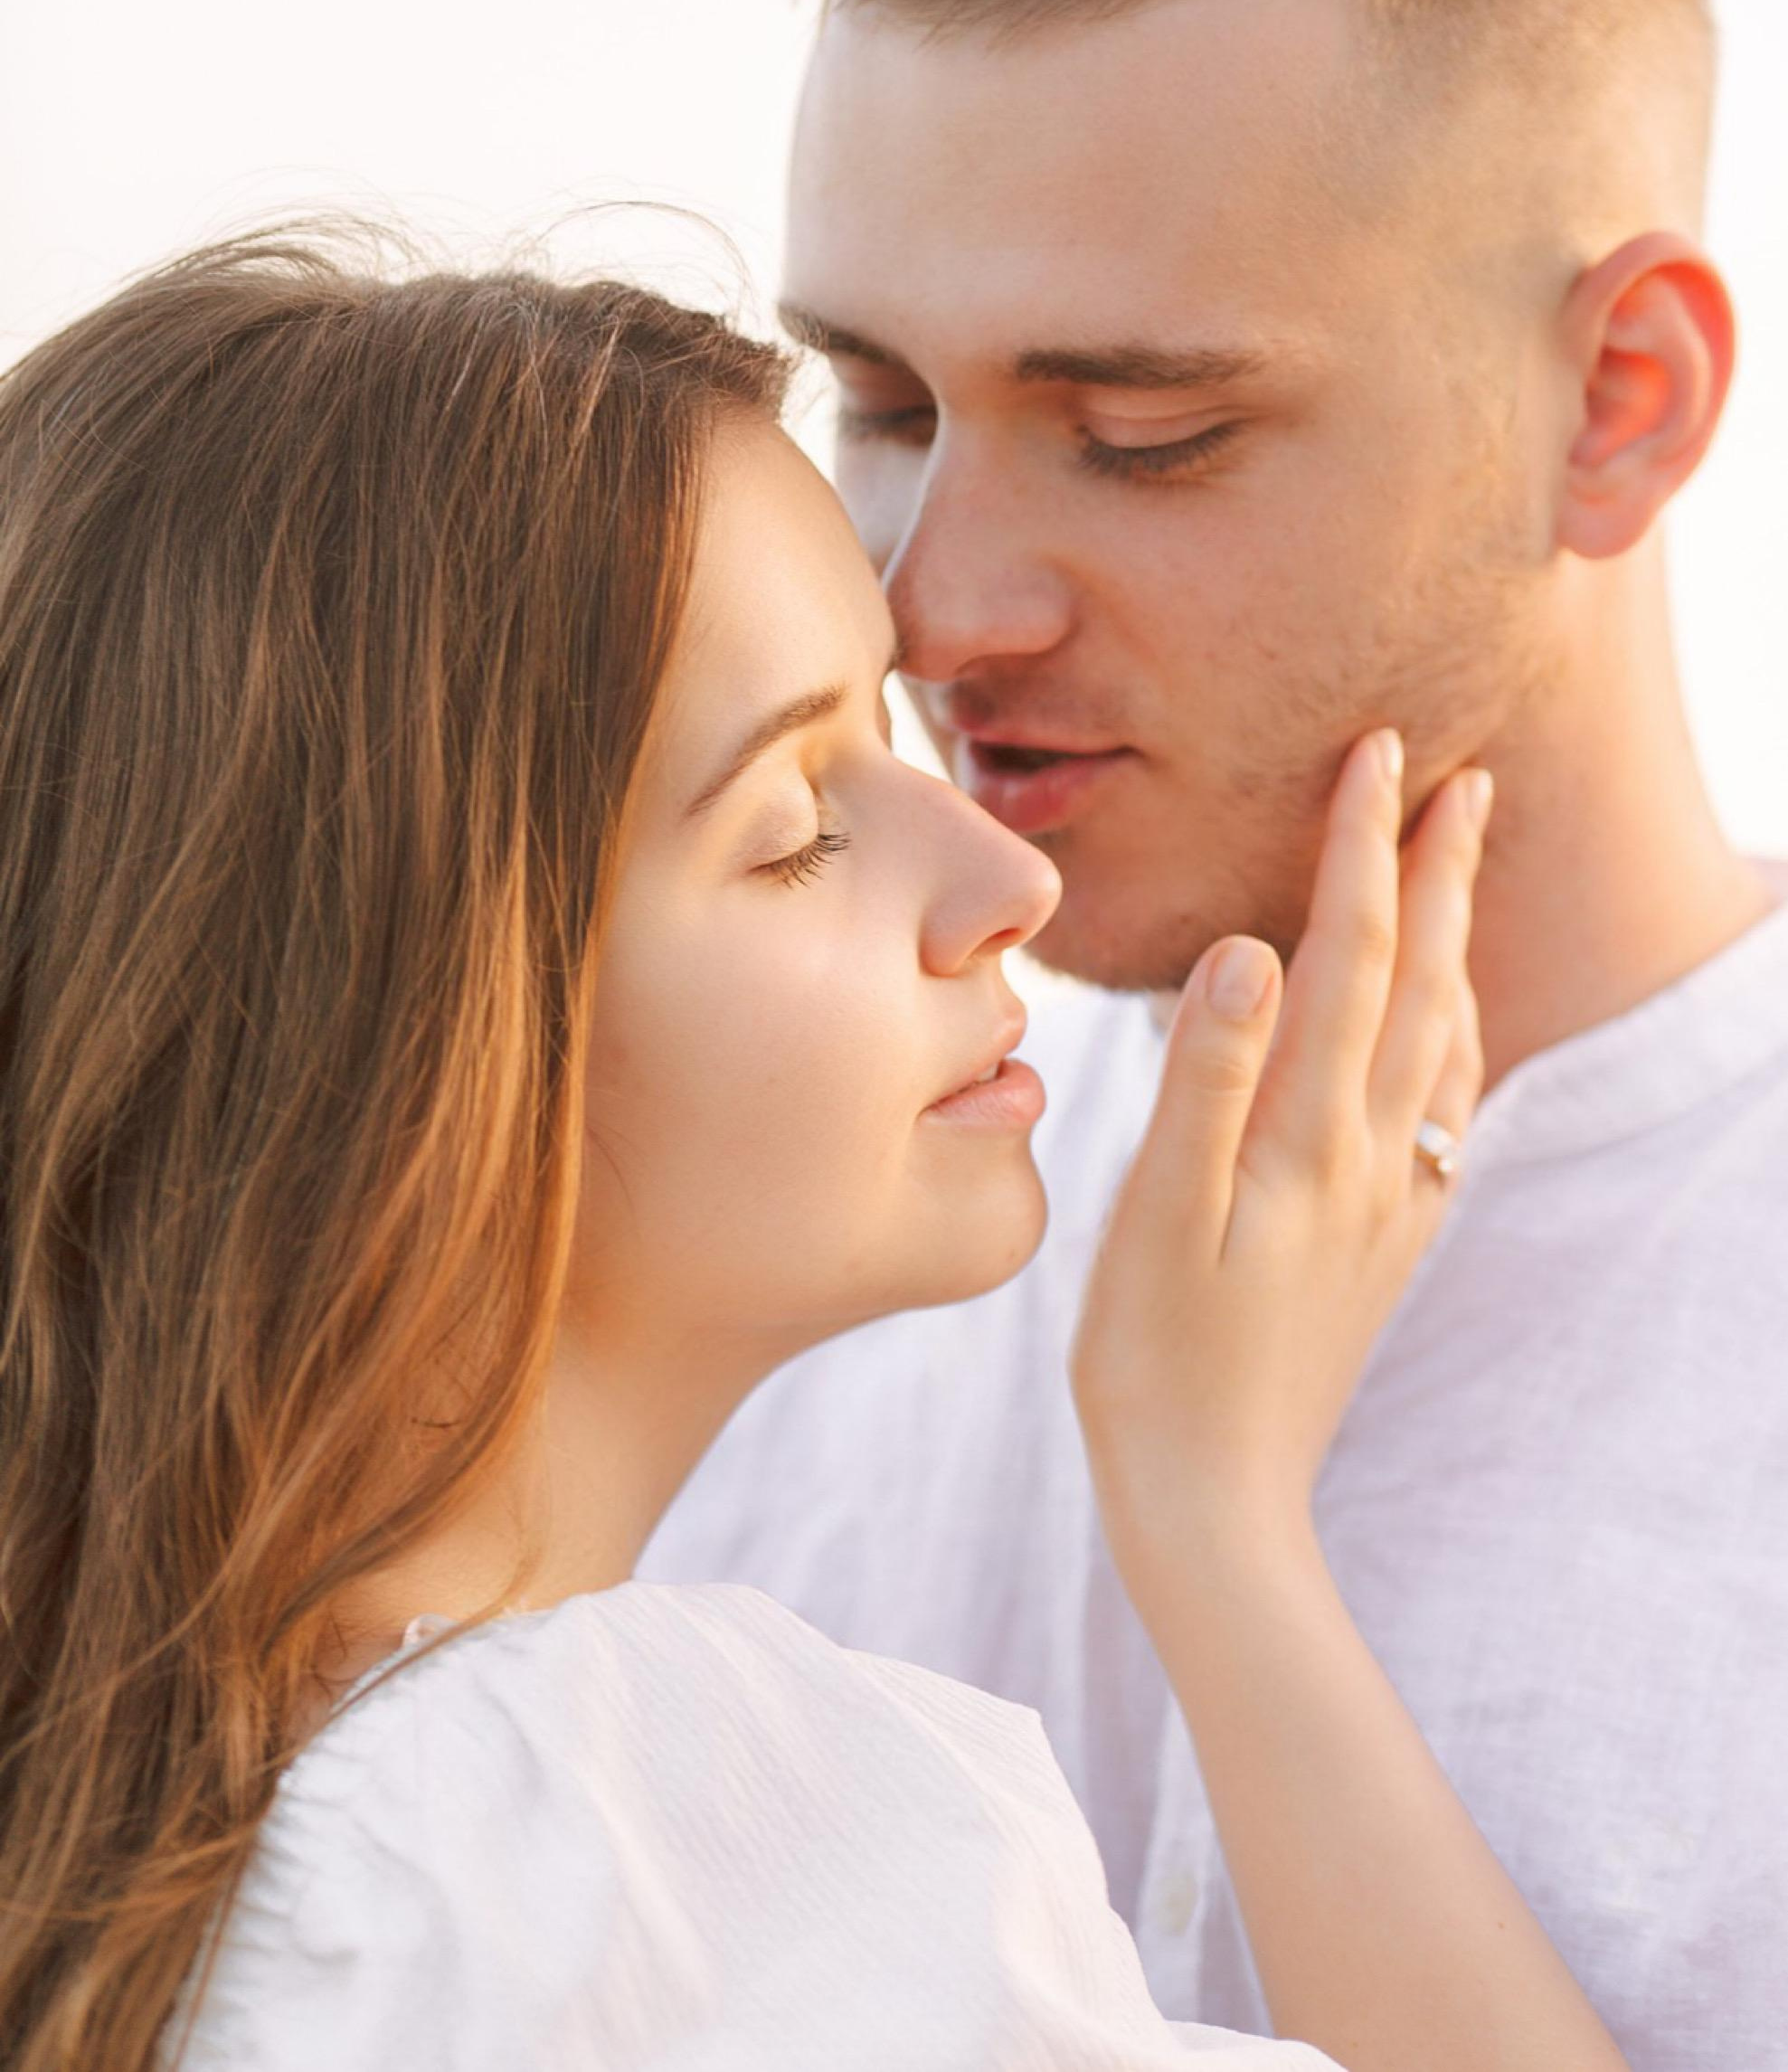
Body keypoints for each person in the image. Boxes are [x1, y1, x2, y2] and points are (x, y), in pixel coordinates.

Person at [0, 226, 1626, 2072]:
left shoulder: (201, 1855)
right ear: (379, 1045)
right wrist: (1215, 1516)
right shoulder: (612, 1856)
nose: (1007, 882)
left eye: (891, 727)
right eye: (795, 823)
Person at [644, 0, 1788, 2068]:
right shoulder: (726, 1248)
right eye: (871, 400)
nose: (928, 602)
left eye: (1143, 427)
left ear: (1622, 404)